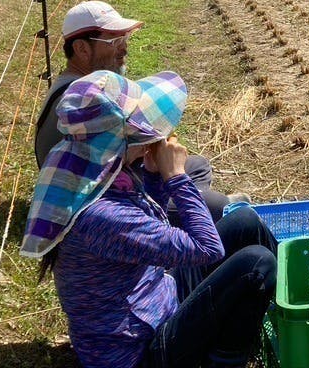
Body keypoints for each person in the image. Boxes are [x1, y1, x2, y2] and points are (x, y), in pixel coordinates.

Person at [21, 70, 277, 368]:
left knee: (244, 220)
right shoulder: (101, 216)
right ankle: (224, 362)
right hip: (140, 351)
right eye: (140, 129)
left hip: (154, 299)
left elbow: (149, 225)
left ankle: (293, 302)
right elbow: (207, 248)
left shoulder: (85, 165)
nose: (149, 135)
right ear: (119, 140)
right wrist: (176, 177)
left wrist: (154, 175)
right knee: (257, 264)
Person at [34, 1, 232, 220]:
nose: (124, 48)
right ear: (81, 48)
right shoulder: (84, 99)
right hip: (98, 200)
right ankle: (193, 217)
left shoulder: (84, 86)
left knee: (198, 165)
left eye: (125, 38)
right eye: (114, 40)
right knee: (218, 205)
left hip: (115, 177)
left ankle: (194, 207)